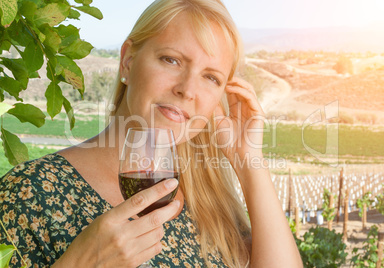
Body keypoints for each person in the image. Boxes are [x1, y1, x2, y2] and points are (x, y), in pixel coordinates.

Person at [0, 0, 302, 267]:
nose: (187, 89)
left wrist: (248, 160)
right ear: (128, 61)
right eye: (172, 60)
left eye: (210, 77)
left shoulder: (210, 201)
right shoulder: (30, 191)